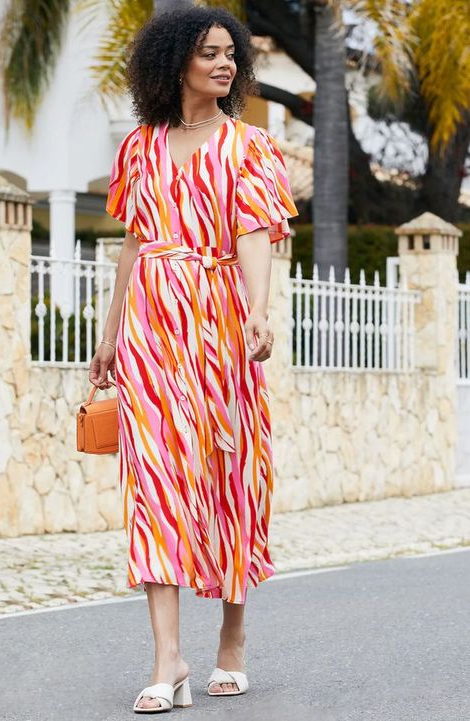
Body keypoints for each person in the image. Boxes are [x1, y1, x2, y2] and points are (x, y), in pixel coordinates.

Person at [89, 6, 298, 714]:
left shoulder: (247, 147)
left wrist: (259, 309)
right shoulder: (140, 148)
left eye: (232, 54)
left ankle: (232, 638)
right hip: (152, 325)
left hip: (219, 325)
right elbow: (132, 244)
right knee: (155, 480)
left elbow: (254, 233)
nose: (226, 64)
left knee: (229, 467)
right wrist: (112, 330)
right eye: (210, 53)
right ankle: (167, 656)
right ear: (175, 61)